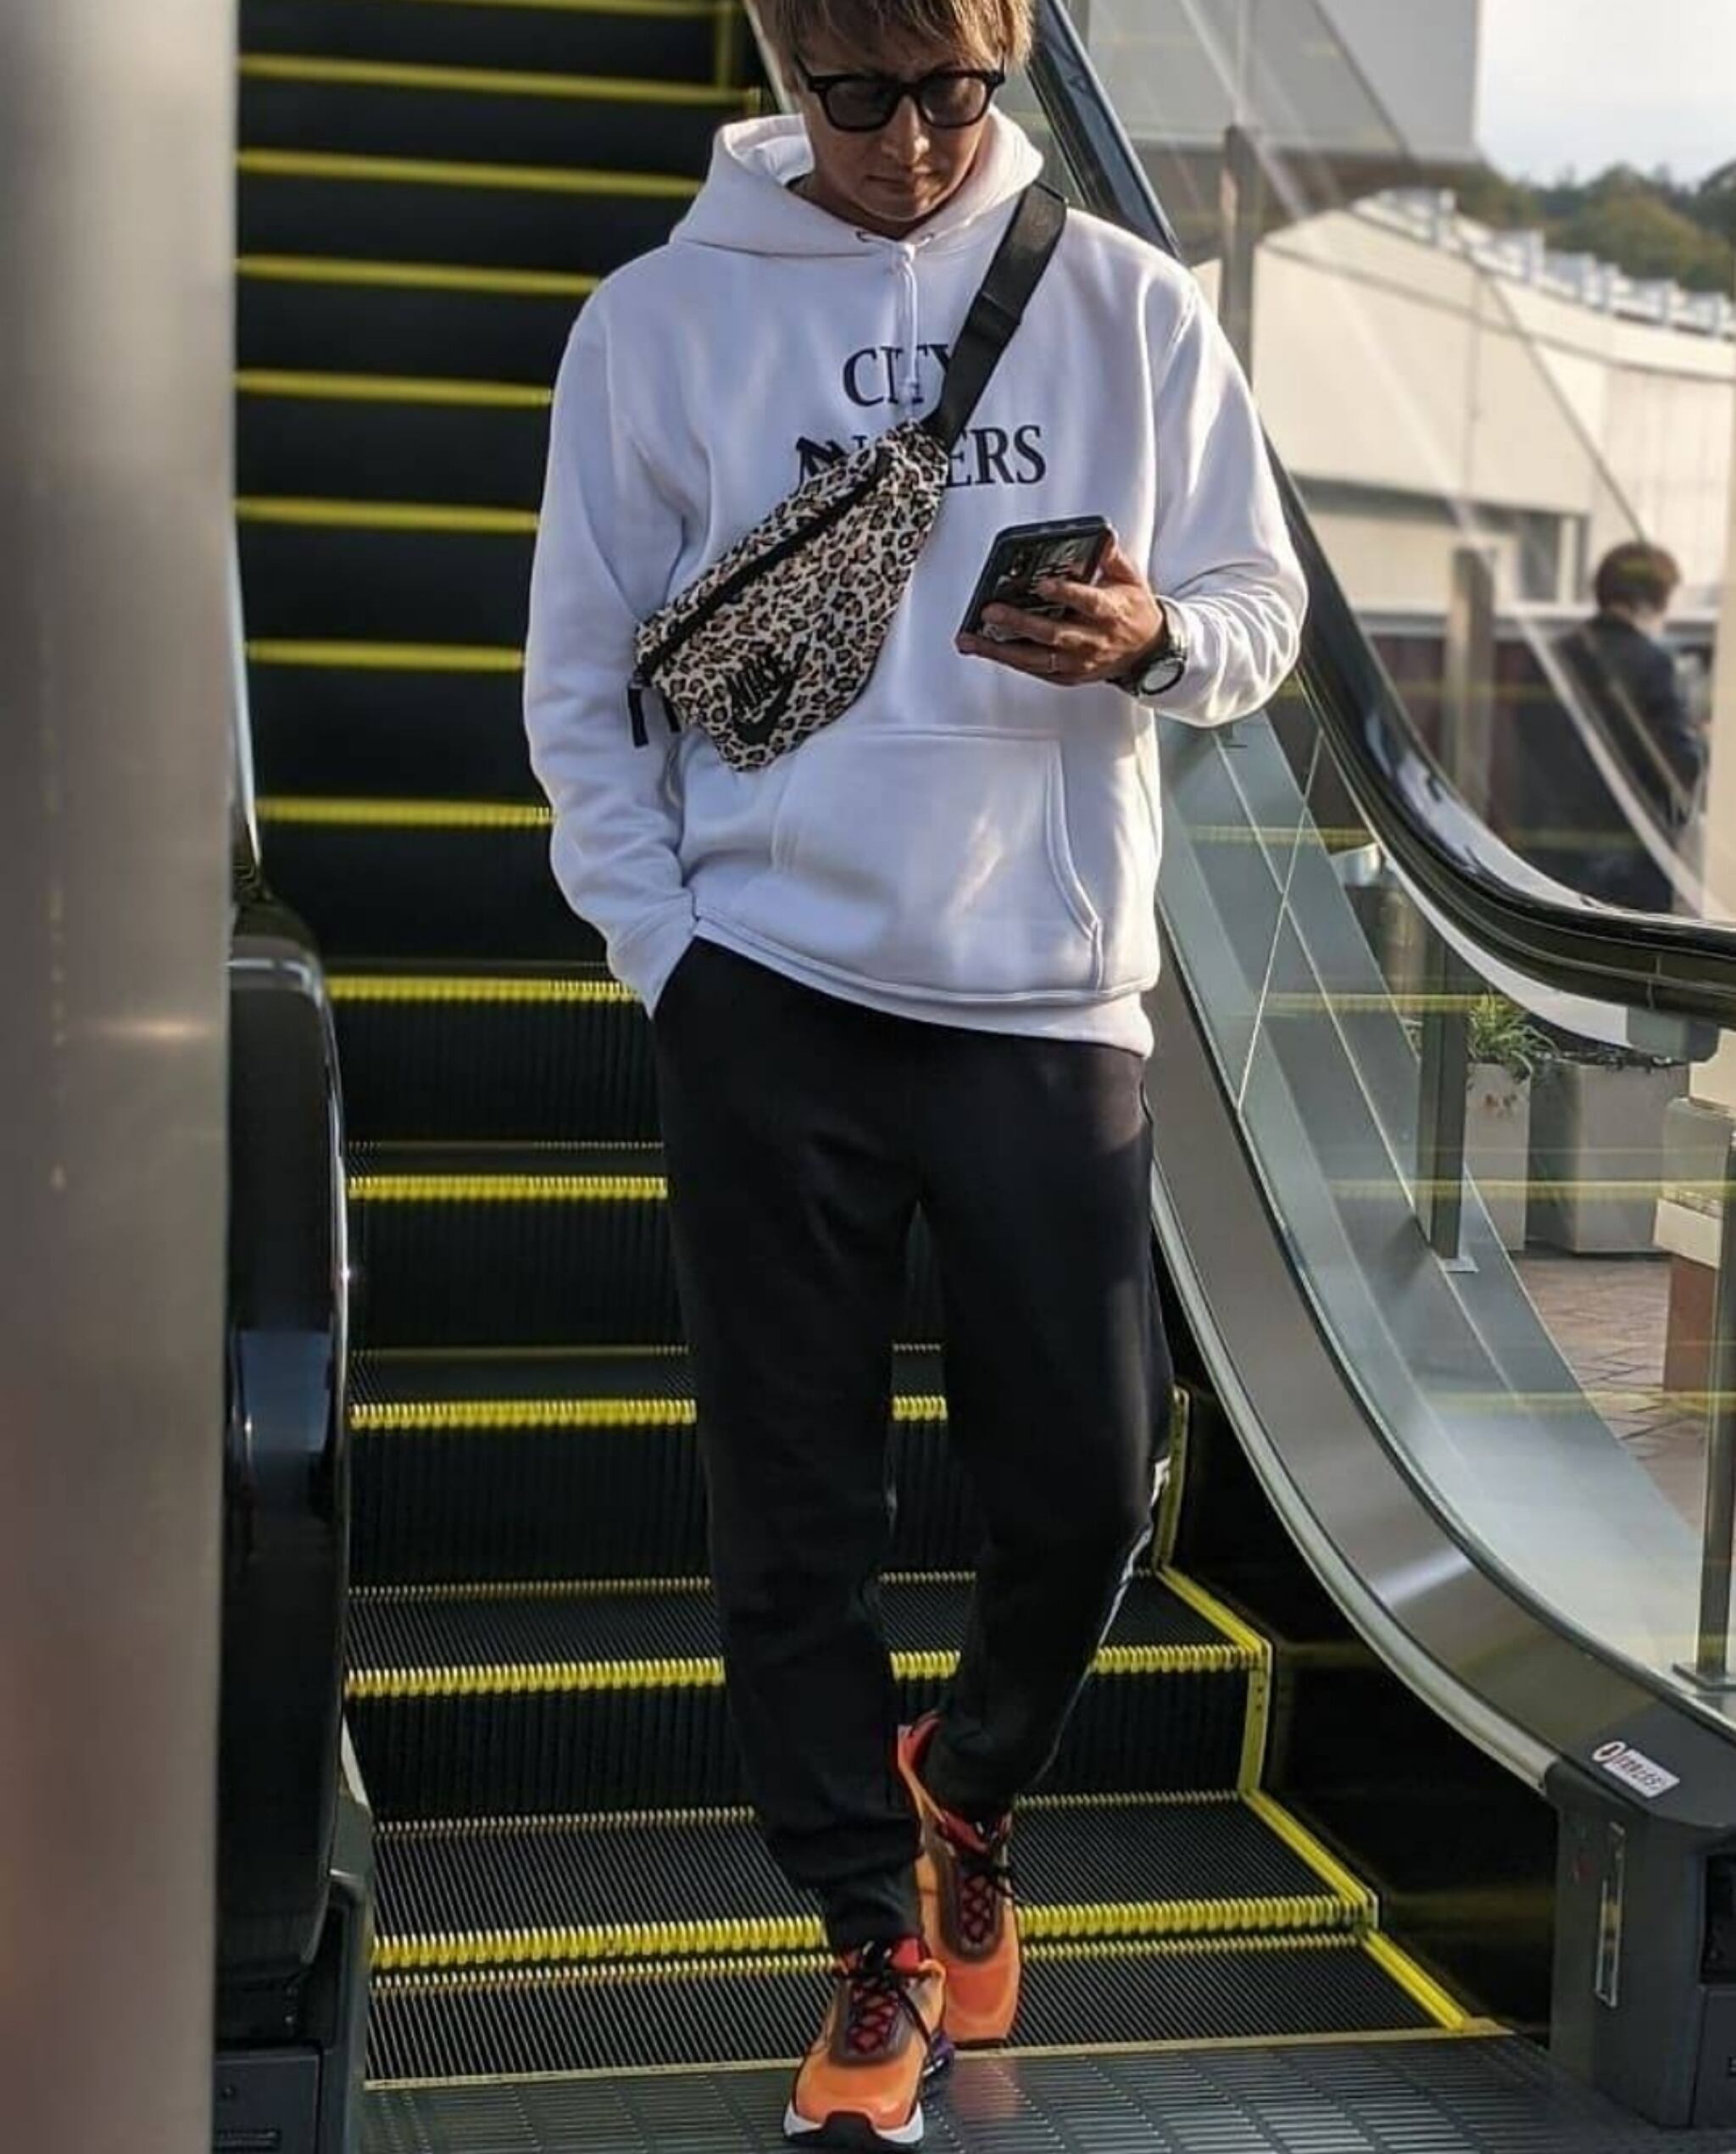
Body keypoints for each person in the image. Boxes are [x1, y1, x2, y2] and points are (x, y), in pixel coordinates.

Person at [524, 3, 1305, 2145]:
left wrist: (1155, 640)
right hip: (768, 987)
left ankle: (963, 1780)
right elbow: (581, 682)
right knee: (793, 1505)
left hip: (1046, 995)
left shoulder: (1127, 302)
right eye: (853, 97)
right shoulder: (658, 321)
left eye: (954, 92)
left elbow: (1260, 602)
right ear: (785, 67)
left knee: (1090, 1485)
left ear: (1007, 55)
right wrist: (671, 959)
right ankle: (866, 1943)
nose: (907, 143)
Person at [1549, 541, 1706, 910]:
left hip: (1552, 853)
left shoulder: (1557, 654)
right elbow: (1676, 768)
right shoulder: (1653, 664)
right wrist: (1703, 742)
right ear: (1652, 602)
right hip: (1625, 864)